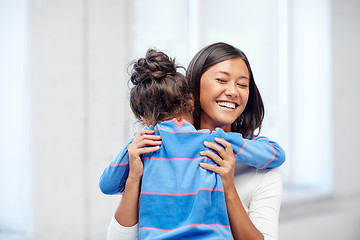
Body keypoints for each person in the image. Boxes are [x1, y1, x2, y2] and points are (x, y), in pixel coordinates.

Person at [105, 43, 285, 240]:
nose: (233, 91)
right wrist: (133, 178)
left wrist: (229, 188)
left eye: (242, 84)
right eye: (221, 80)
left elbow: (106, 184)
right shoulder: (153, 151)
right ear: (192, 94)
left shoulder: (261, 171)